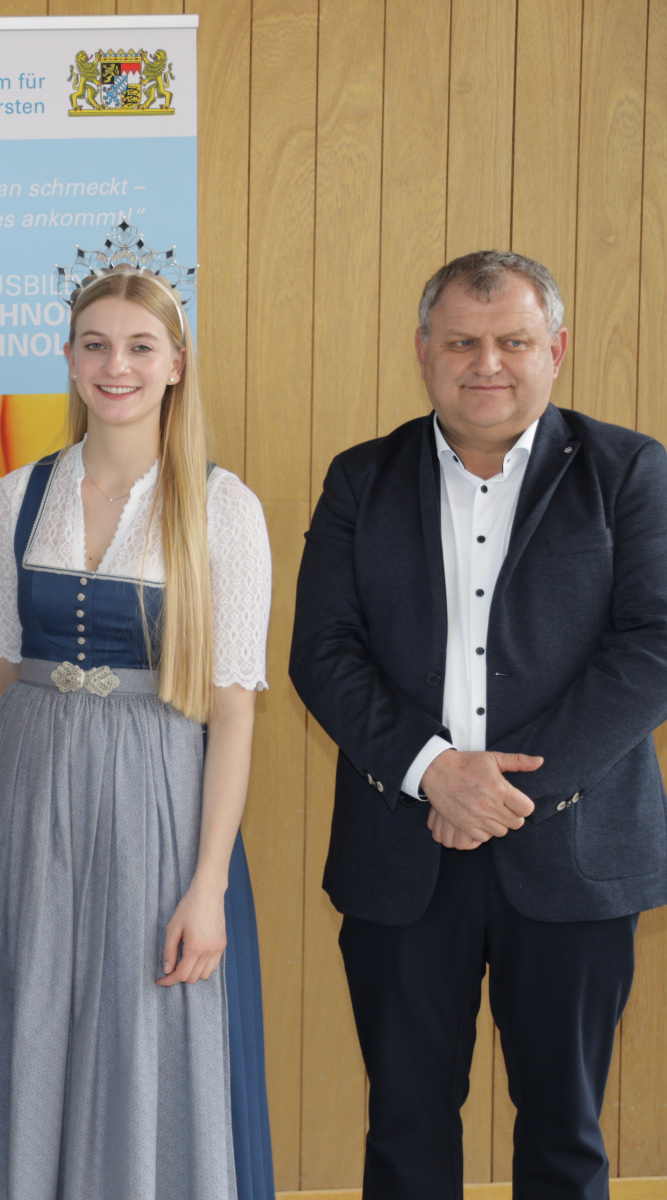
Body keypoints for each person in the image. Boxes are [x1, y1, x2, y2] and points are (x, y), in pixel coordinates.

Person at [290, 250, 667, 1199]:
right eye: (461, 341)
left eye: (513, 342)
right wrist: (434, 771)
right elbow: (322, 652)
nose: (486, 364)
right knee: (405, 1131)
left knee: (566, 1135)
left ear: (556, 350)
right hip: (402, 851)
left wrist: (499, 792)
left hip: (575, 855)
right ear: (424, 351)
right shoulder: (360, 478)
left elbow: (655, 645)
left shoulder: (629, 471)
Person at [0, 262, 275, 1199]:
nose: (118, 366)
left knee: (143, 1021)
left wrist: (209, 884)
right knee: (23, 1007)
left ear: (177, 363)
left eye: (141, 347)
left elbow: (235, 711)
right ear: (68, 358)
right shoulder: (19, 495)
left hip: (156, 798)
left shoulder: (222, 506)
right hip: (23, 789)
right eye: (97, 345)